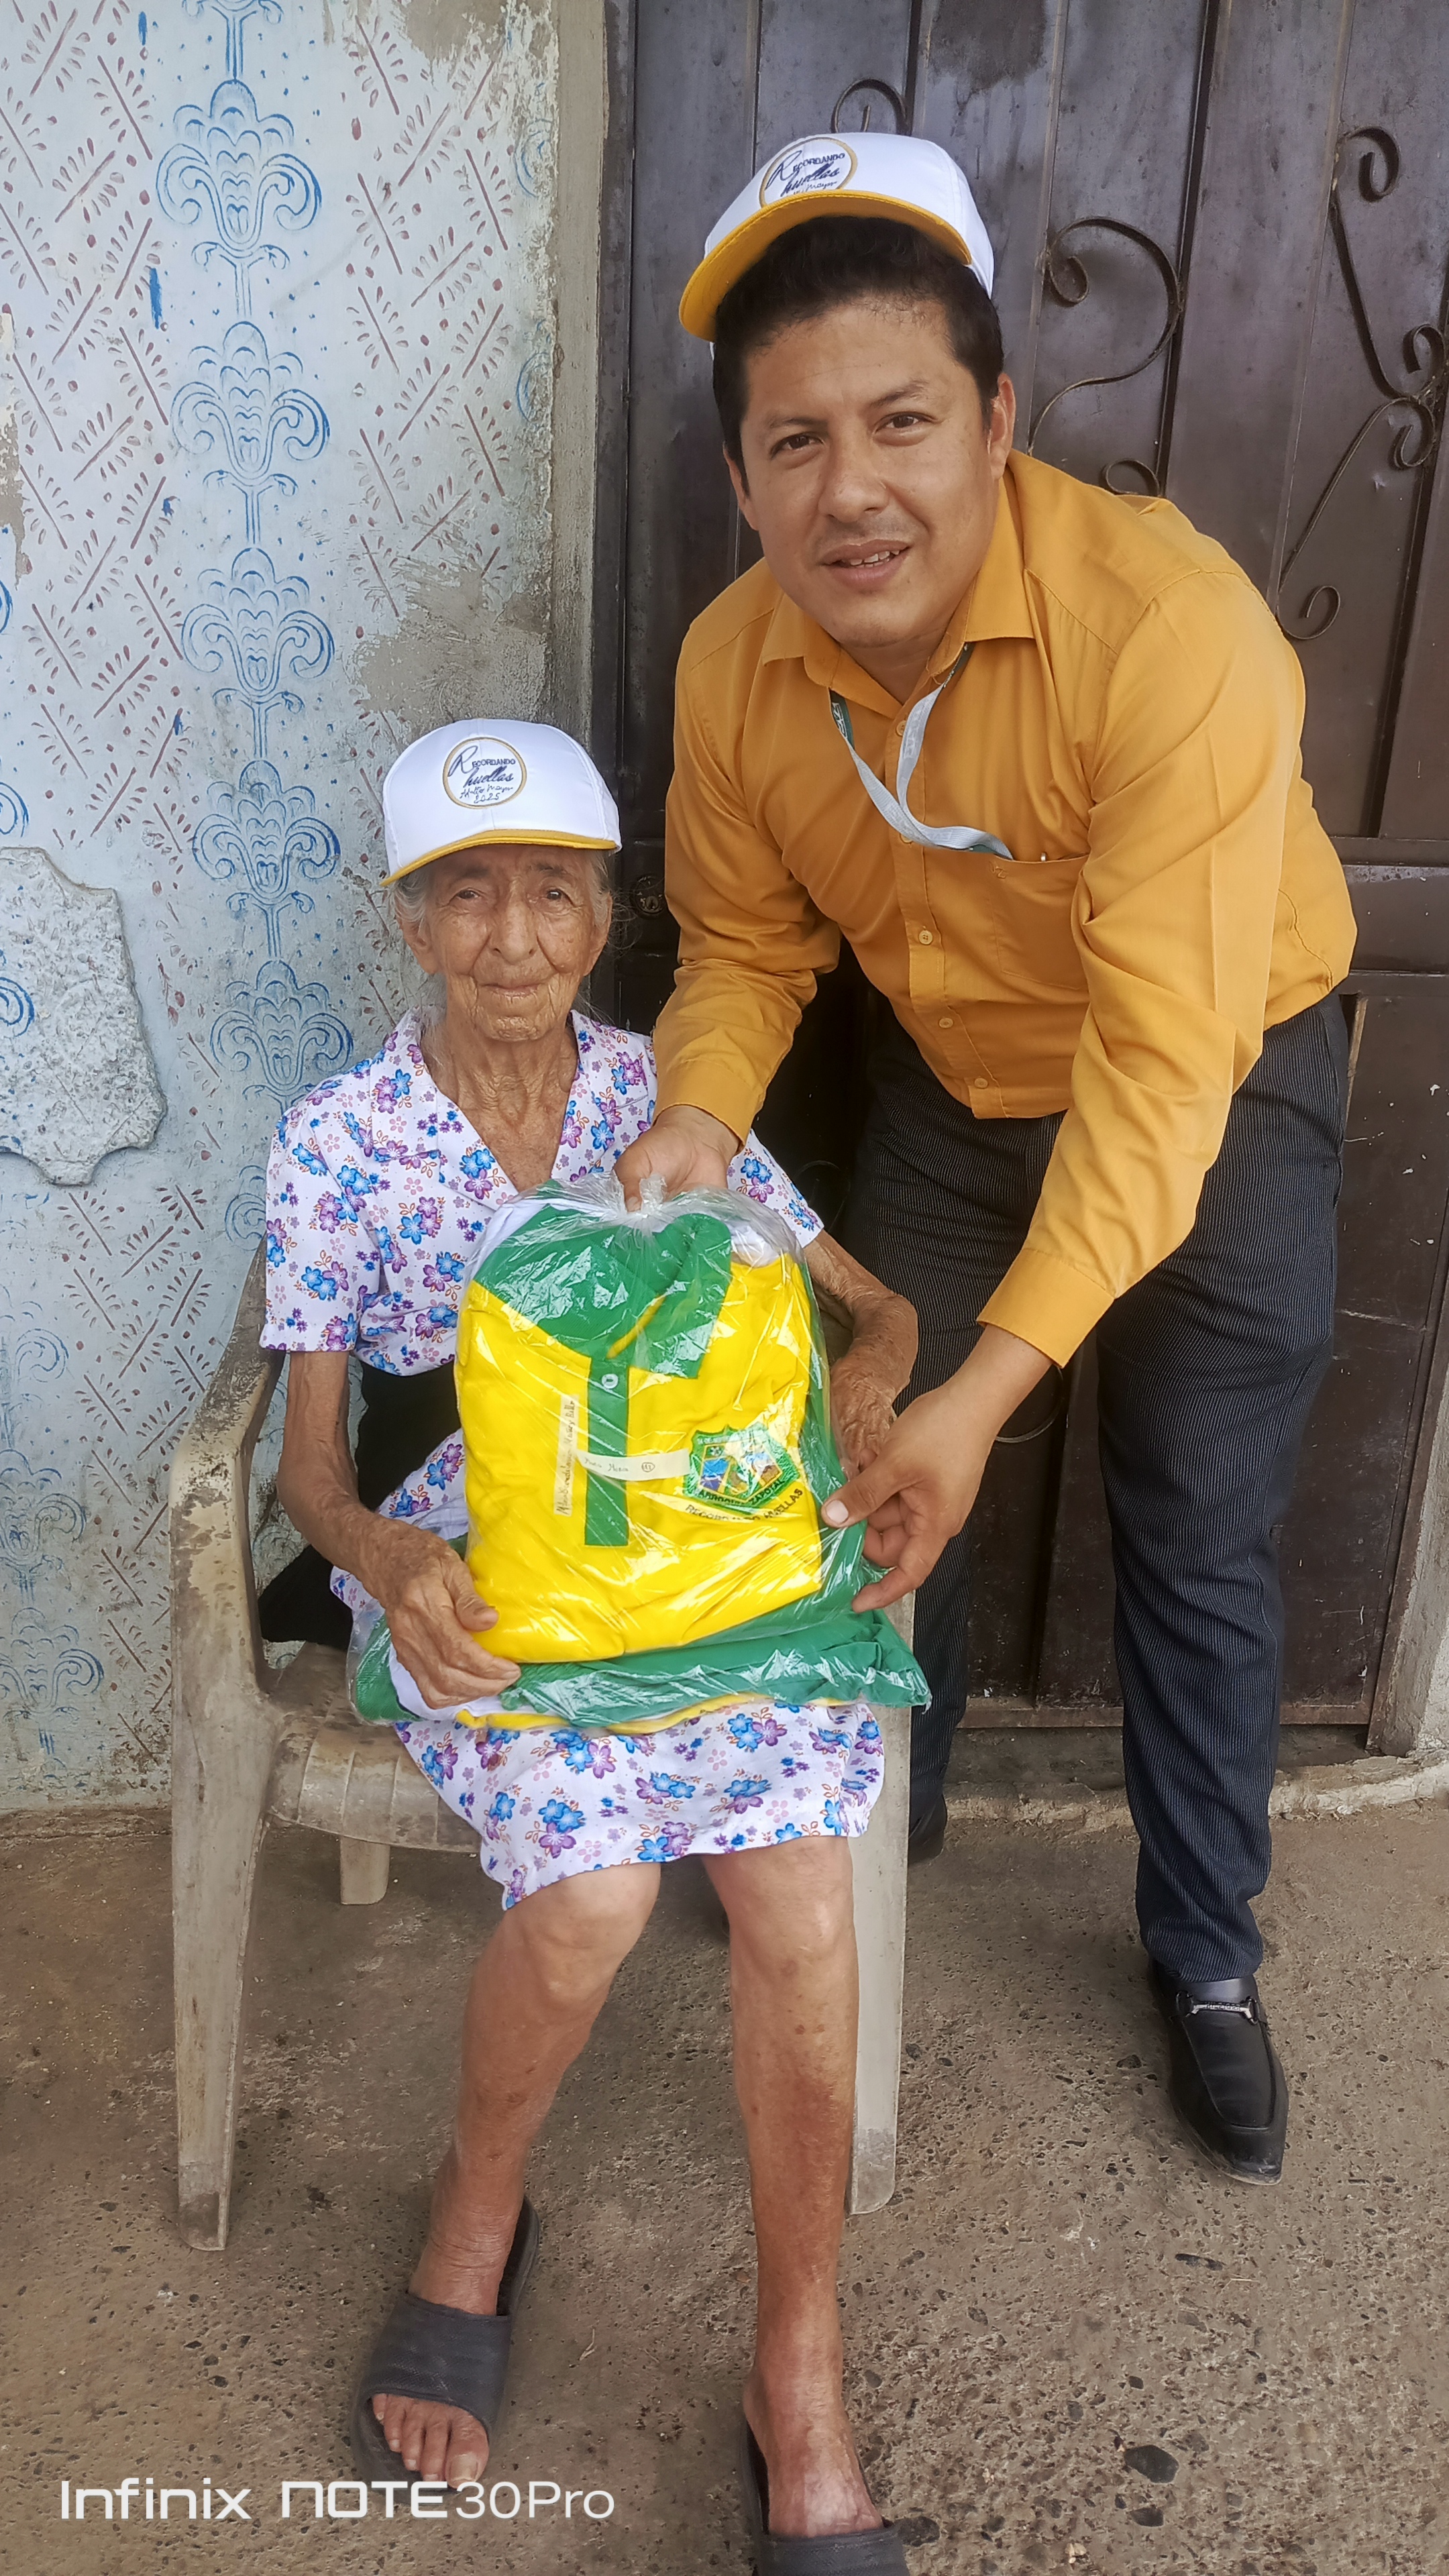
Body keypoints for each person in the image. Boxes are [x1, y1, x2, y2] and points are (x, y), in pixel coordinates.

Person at [615, 132, 1357, 2196]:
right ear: (743, 477)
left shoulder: (1171, 635)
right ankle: (883, 1819)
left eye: (903, 421)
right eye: (795, 441)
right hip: (956, 1084)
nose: (851, 488)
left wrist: (998, 1381)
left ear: (1001, 421)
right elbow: (745, 951)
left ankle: (1207, 1952)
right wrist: (698, 1112)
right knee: (873, 1468)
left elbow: (1159, 1069)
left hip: (1223, 1072)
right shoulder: (734, 666)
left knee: (1196, 1517)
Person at [260, 716, 921, 2562]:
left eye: (551, 894)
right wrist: (386, 1557)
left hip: (699, 1557)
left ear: (605, 919)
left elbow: (871, 1308)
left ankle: (799, 2368)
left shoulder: (670, 1099)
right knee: (598, 1893)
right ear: (409, 923)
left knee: (799, 1888)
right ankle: (474, 2221)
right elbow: (308, 1469)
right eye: (465, 896)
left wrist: (869, 1386)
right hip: (478, 1566)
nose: (511, 939)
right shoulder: (340, 1139)